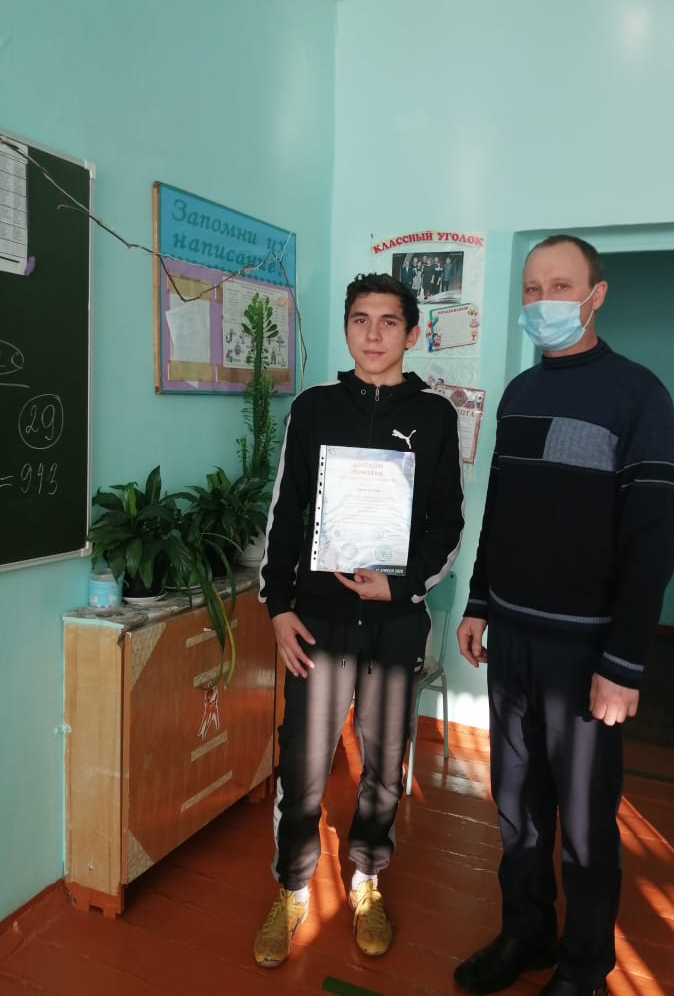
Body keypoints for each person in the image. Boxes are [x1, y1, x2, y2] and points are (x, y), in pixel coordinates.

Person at [453, 235, 674, 996]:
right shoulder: (519, 393)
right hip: (511, 637)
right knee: (517, 806)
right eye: (531, 287)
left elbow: (653, 540)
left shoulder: (638, 396)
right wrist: (478, 601)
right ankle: (526, 932)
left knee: (585, 823)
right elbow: (501, 512)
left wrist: (624, 664)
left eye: (559, 285)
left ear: (595, 295)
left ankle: (584, 967)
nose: (541, 300)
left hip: (585, 654)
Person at [254, 271, 464, 969]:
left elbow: (447, 525)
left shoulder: (436, 417)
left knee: (385, 761)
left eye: (388, 321)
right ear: (346, 328)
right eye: (360, 320)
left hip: (396, 620)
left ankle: (366, 878)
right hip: (317, 620)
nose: (373, 335)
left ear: (411, 332)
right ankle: (291, 887)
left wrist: (399, 586)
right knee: (303, 761)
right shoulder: (314, 408)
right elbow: (285, 513)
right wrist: (279, 607)